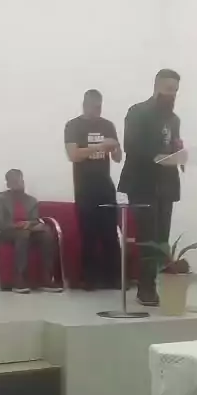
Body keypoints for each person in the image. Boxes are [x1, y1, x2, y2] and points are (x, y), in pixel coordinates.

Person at [118, 69, 183, 307]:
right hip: (142, 183)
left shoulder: (174, 119)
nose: (172, 94)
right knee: (147, 235)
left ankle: (154, 282)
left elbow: (173, 144)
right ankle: (145, 287)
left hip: (166, 184)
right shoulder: (138, 112)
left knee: (162, 237)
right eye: (168, 89)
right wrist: (159, 156)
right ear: (156, 87)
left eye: (175, 90)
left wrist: (178, 154)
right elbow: (130, 145)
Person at [64, 89, 122, 290]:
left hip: (105, 185)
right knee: (88, 233)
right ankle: (89, 278)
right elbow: (73, 155)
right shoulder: (73, 126)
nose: (97, 111)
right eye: (94, 107)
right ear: (85, 105)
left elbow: (117, 158)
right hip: (84, 186)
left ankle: (113, 277)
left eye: (100, 107)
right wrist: (99, 147)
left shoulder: (108, 125)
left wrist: (115, 147)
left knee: (110, 232)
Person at [0, 169, 62, 294]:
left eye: (20, 180)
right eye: (14, 181)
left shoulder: (31, 200)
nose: (18, 183)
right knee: (22, 233)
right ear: (8, 184)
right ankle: (19, 279)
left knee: (46, 234)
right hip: (7, 231)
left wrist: (30, 224)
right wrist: (17, 225)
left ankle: (47, 278)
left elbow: (35, 219)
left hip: (28, 229)